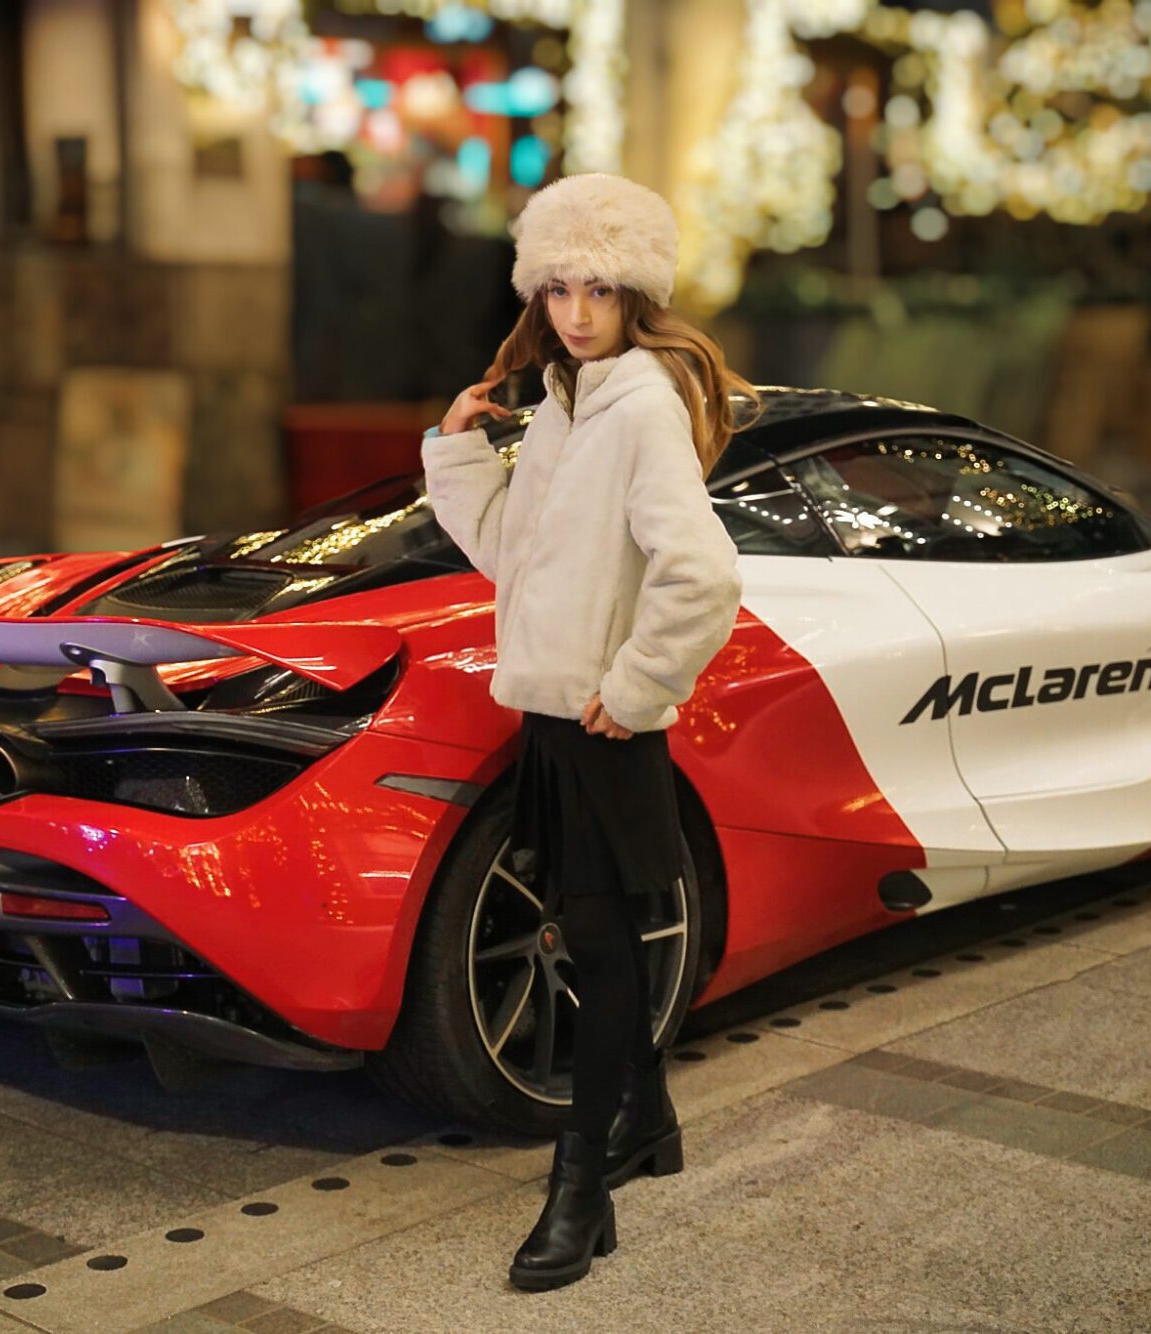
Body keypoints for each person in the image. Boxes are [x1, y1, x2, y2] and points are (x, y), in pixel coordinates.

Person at [418, 171, 756, 1291]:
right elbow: (515, 553)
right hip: (557, 717)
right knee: (581, 934)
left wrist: (639, 679)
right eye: (556, 286)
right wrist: (461, 452)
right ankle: (646, 1119)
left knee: (602, 951)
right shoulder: (568, 399)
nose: (573, 308)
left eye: (597, 287)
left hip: (601, 721)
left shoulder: (640, 402)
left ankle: (581, 1184)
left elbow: (702, 570)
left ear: (633, 294)